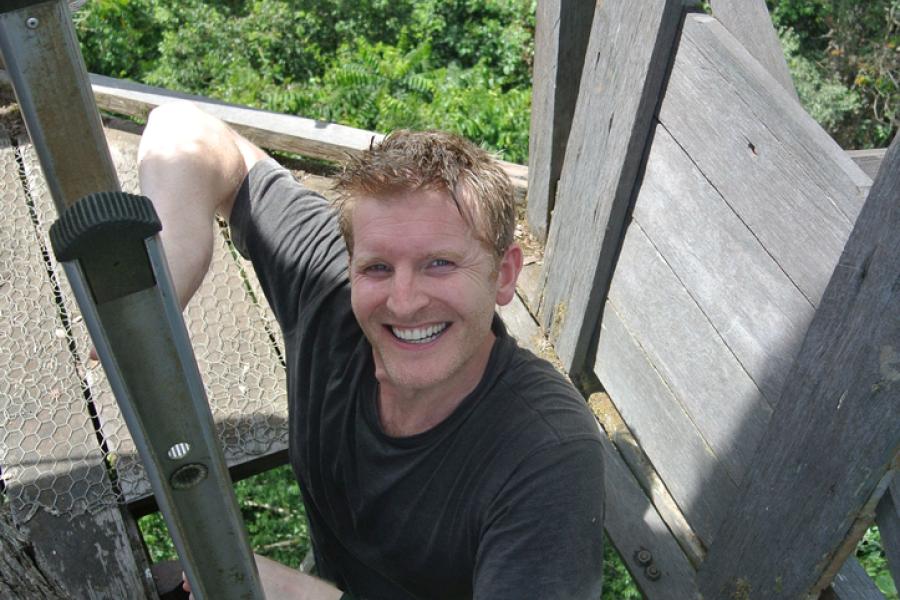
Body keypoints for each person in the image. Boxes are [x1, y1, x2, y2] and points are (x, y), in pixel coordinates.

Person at [139, 101, 605, 600]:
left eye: (440, 263)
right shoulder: (330, 291)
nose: (403, 302)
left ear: (505, 274)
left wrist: (296, 595)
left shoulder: (547, 457)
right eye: (377, 268)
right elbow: (181, 127)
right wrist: (178, 259)